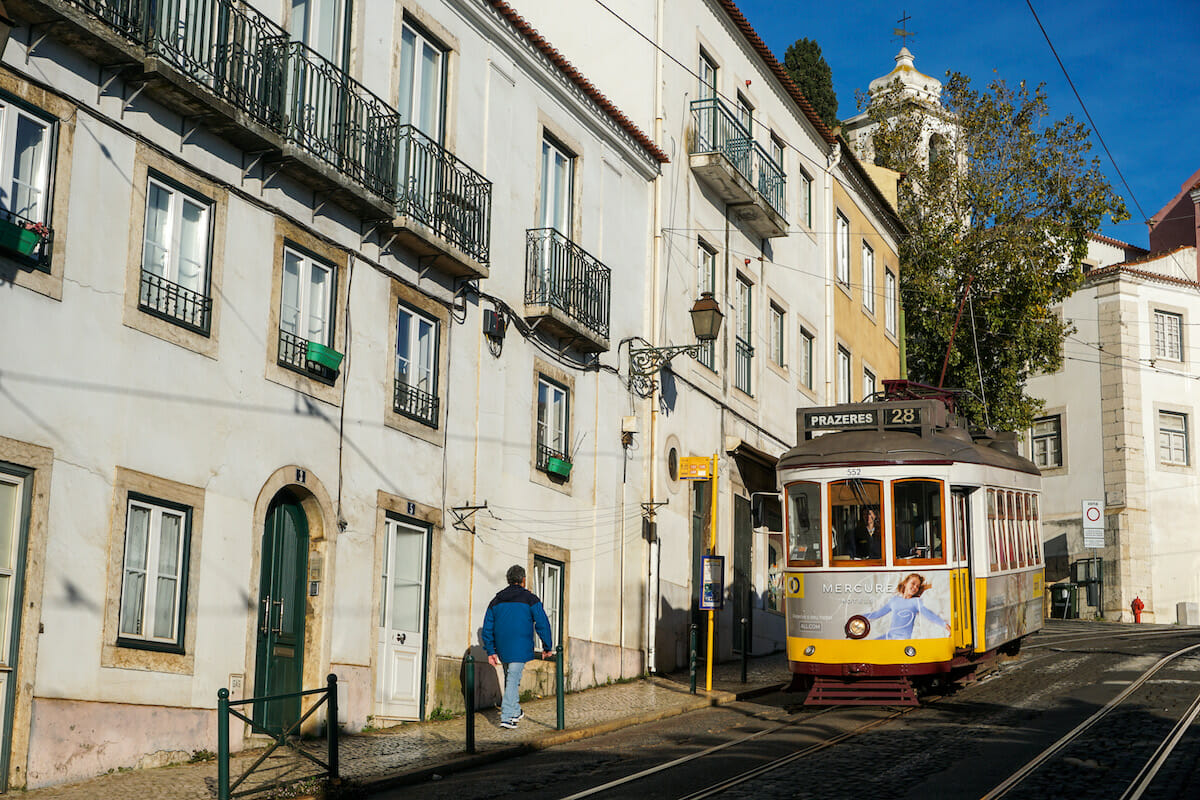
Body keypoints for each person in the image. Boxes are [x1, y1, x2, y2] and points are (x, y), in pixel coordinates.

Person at [481, 564, 553, 729]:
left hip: (502, 648)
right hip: (520, 646)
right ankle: (507, 717)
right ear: (523, 580)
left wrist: (491, 650)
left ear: (508, 580)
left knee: (511, 678)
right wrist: (547, 646)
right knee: (513, 679)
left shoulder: (496, 600)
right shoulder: (530, 599)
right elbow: (542, 623)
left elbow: (487, 627)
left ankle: (515, 710)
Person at [863, 573, 950, 639]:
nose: (915, 587)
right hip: (890, 636)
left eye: (917, 586)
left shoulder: (916, 601)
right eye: (913, 583)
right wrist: (859, 617)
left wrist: (944, 624)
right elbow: (877, 614)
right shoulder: (894, 600)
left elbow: (929, 615)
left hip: (903, 639)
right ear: (905, 583)